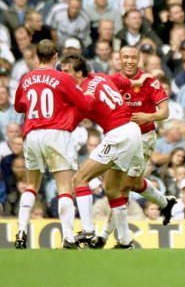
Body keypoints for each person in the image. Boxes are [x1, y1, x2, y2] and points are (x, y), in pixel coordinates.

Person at [90, 45, 174, 249]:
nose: (129, 61)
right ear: (118, 59)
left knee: (124, 186)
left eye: (133, 57)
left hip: (144, 138)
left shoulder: (150, 81)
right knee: (127, 185)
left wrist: (149, 116)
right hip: (118, 138)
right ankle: (165, 203)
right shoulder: (111, 82)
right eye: (125, 57)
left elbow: (165, 112)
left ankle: (104, 237)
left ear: (139, 59)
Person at [13, 40, 94, 249]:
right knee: (64, 187)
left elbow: (19, 106)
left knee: (32, 185)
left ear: (36, 56)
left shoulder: (26, 78)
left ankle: (21, 231)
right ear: (56, 56)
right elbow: (84, 104)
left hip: (32, 134)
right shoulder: (62, 78)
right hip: (56, 133)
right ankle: (67, 236)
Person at [60, 54, 145, 249]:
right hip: (132, 131)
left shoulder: (83, 91)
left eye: (66, 72)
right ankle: (125, 241)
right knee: (112, 188)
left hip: (118, 134)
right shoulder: (100, 76)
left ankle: (88, 230)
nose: (63, 76)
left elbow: (81, 111)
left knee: (79, 179)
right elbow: (120, 80)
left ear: (79, 73)